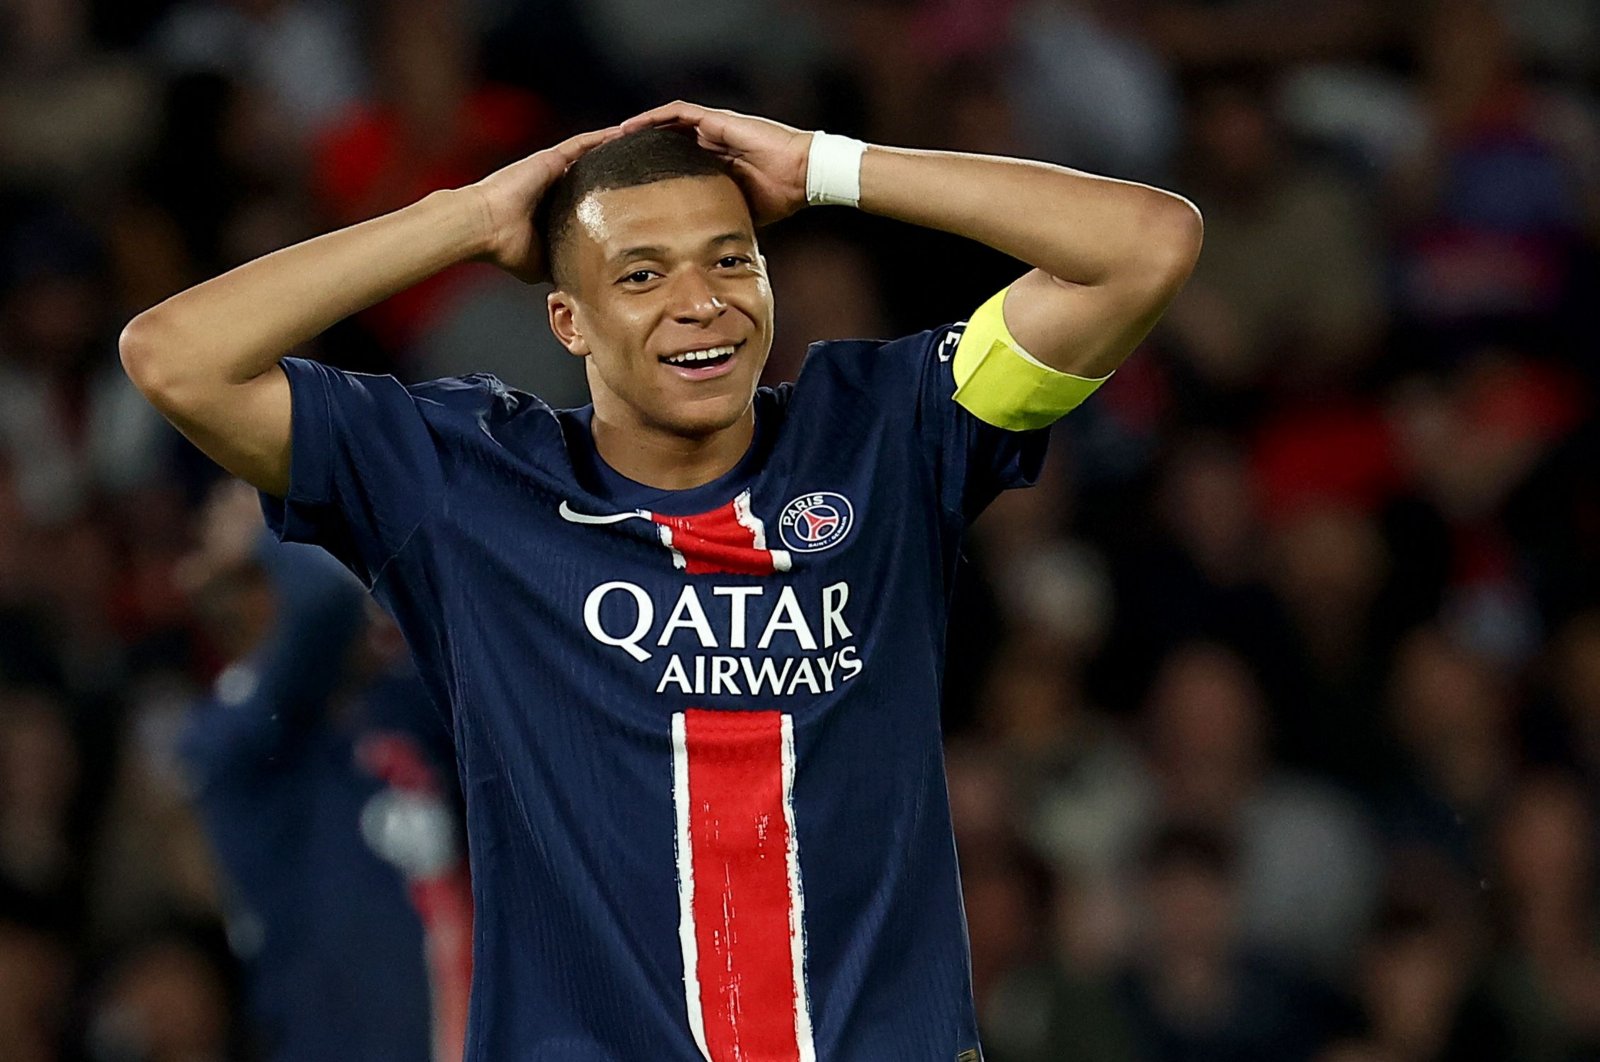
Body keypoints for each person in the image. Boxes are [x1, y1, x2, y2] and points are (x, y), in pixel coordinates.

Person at [119, 102, 1201, 1058]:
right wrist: (466, 218)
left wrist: (828, 166)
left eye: (732, 260)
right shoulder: (460, 487)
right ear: (567, 320)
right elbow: (177, 353)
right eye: (640, 275)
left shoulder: (890, 431)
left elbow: (1147, 245)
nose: (702, 303)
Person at [178, 479, 471, 1061]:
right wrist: (269, 523)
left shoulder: (394, 714)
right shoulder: (228, 744)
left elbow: (462, 629)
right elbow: (325, 605)